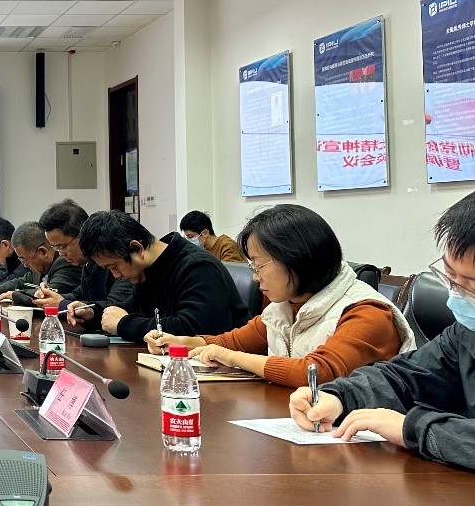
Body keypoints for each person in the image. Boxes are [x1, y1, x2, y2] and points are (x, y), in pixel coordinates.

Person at [289, 191, 475, 470]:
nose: (456, 293)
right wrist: (340, 397)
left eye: (470, 283)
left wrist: (412, 428)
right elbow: (406, 377)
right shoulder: (465, 332)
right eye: (450, 277)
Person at [147, 205, 415, 387]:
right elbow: (233, 341)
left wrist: (232, 358)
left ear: (296, 260)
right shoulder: (288, 305)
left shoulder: (367, 312)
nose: (255, 277)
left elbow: (317, 373)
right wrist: (179, 343)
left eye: (259, 266)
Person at [77, 210, 246, 342]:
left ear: (137, 248)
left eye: (114, 267)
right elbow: (129, 308)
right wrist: (93, 313)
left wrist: (124, 324)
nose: (115, 275)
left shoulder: (198, 267)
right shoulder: (149, 268)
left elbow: (194, 329)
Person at [33, 200, 134, 330]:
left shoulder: (117, 259)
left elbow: (116, 308)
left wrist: (62, 304)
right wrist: (50, 298)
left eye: (62, 246)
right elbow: (78, 295)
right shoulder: (88, 264)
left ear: (82, 235)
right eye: (56, 248)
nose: (61, 254)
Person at [0, 221, 81, 306]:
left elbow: (47, 294)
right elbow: (20, 282)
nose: (25, 265)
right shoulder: (40, 268)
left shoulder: (65, 263)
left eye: (25, 260)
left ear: (43, 252)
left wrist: (14, 295)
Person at [179, 210, 247, 263]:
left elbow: (231, 274)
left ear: (205, 233)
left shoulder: (227, 246)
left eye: (191, 237)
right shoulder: (203, 250)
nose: (188, 241)